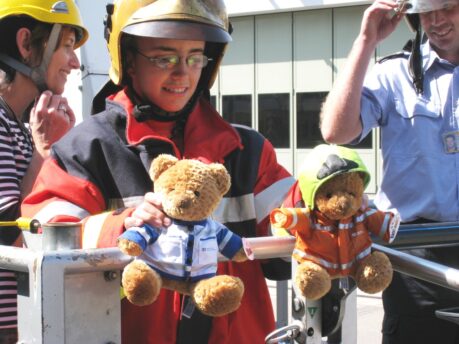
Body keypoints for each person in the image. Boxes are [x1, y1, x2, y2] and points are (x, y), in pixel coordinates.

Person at [22, 0, 295, 343]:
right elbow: (46, 230)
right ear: (129, 61)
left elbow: (292, 217)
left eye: (195, 57)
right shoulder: (88, 148)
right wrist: (118, 226)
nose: (182, 72)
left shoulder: (247, 150)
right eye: (164, 58)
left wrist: (322, 204)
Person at [320, 0, 459, 343]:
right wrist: (366, 41)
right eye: (426, 11)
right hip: (418, 258)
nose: (436, 20)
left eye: (448, 7)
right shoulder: (395, 74)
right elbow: (337, 131)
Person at [0, 0, 88, 342]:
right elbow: (13, 232)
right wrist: (45, 153)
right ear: (26, 44)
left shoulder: (18, 126)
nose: (75, 62)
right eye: (66, 45)